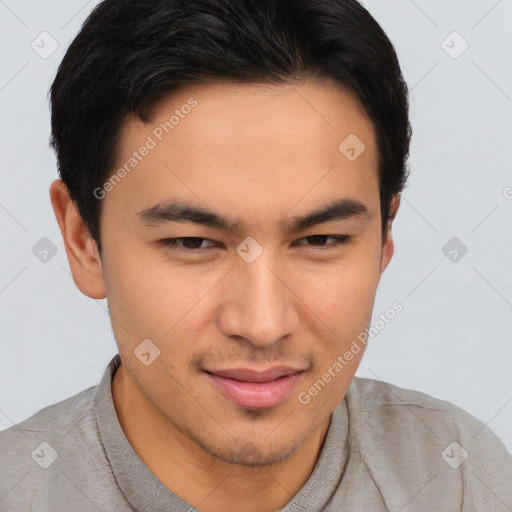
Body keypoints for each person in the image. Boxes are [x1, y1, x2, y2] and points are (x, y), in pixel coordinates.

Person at [1, 0, 511, 510]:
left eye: (320, 240)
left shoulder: (462, 479)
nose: (263, 324)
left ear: (385, 237)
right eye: (193, 243)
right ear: (82, 241)